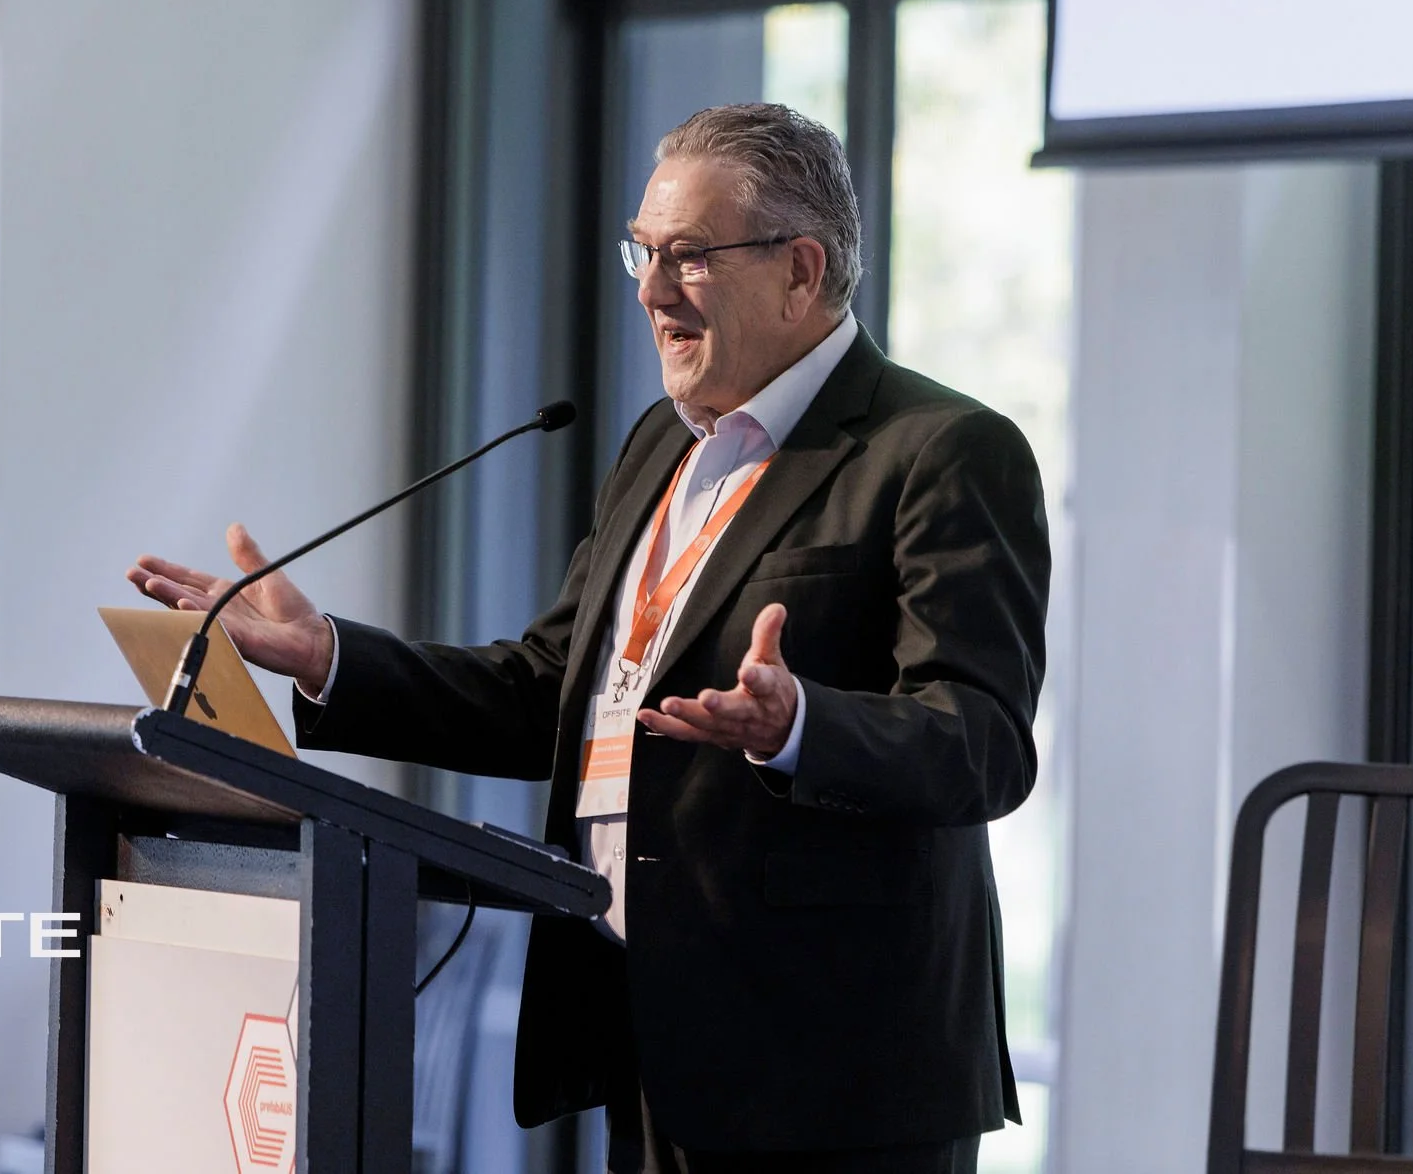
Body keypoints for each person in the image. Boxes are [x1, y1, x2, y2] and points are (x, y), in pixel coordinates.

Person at [129, 103, 1049, 1174]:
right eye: (641, 253)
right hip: (645, 1030)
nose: (652, 291)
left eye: (687, 256)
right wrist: (328, 655)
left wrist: (799, 724)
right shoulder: (661, 445)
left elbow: (981, 741)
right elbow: (549, 692)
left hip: (837, 1065)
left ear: (800, 271)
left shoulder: (939, 450)